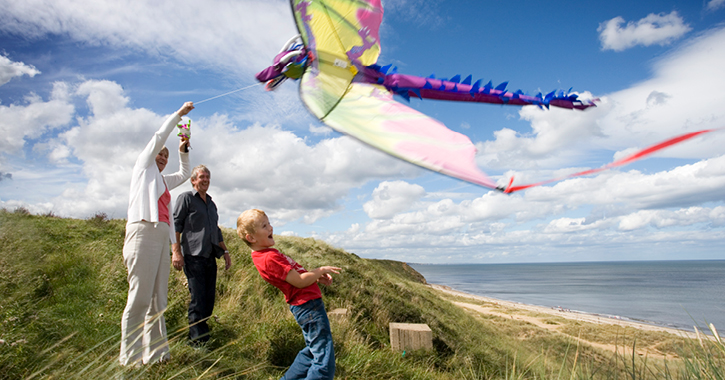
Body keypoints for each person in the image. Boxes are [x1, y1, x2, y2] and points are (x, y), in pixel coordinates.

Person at [120, 101, 194, 366]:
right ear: (152, 155)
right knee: (139, 297)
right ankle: (130, 359)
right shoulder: (143, 168)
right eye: (160, 154)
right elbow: (158, 137)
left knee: (157, 298)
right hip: (142, 232)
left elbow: (185, 173)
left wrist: (181, 151)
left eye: (166, 156)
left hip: (163, 237)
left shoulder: (162, 180)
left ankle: (157, 355)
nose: (162, 158)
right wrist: (178, 116)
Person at [237, 209, 341, 380]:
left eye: (269, 223)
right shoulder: (269, 258)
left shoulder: (265, 255)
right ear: (251, 238)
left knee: (312, 351)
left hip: (305, 305)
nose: (270, 227)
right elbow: (299, 281)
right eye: (264, 226)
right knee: (323, 360)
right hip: (309, 307)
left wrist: (315, 277)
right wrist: (320, 269)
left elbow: (296, 278)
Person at [172, 164, 231, 346]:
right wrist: (176, 252)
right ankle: (197, 342)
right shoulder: (186, 199)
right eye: (201, 177)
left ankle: (201, 337)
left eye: (207, 177)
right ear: (193, 180)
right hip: (192, 255)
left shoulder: (212, 204)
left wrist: (226, 251)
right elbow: (175, 225)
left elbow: (216, 229)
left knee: (208, 299)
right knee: (198, 299)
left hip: (209, 257)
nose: (205, 180)